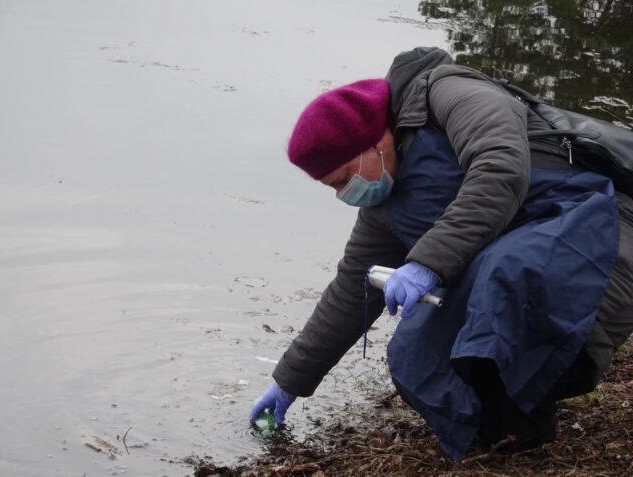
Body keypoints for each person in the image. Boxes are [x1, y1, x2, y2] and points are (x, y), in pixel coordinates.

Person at [249, 46, 633, 459]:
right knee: (413, 350)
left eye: (342, 179)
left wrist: (426, 264)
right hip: (528, 256)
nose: (344, 194)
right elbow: (350, 292)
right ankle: (509, 442)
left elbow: (499, 167)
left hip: (602, 227)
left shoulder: (450, 93)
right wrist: (289, 381)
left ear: (376, 141)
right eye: (333, 188)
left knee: (501, 281)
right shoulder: (384, 206)